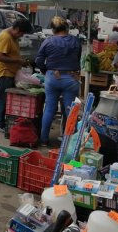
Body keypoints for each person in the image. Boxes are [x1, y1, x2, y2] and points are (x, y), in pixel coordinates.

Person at [35, 16, 81, 146]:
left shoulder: (48, 42)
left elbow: (38, 61)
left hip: (52, 77)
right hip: (71, 78)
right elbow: (77, 59)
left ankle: (44, 140)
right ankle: (70, 142)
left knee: (49, 108)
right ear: (67, 28)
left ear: (53, 29)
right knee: (69, 110)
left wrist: (46, 71)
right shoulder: (76, 41)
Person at [0, 19, 34, 132]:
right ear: (16, 29)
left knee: (7, 100)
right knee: (2, 99)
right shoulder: (5, 37)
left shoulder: (12, 36)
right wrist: (18, 61)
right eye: (21, 33)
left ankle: (3, 122)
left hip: (10, 73)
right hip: (4, 73)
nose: (21, 36)